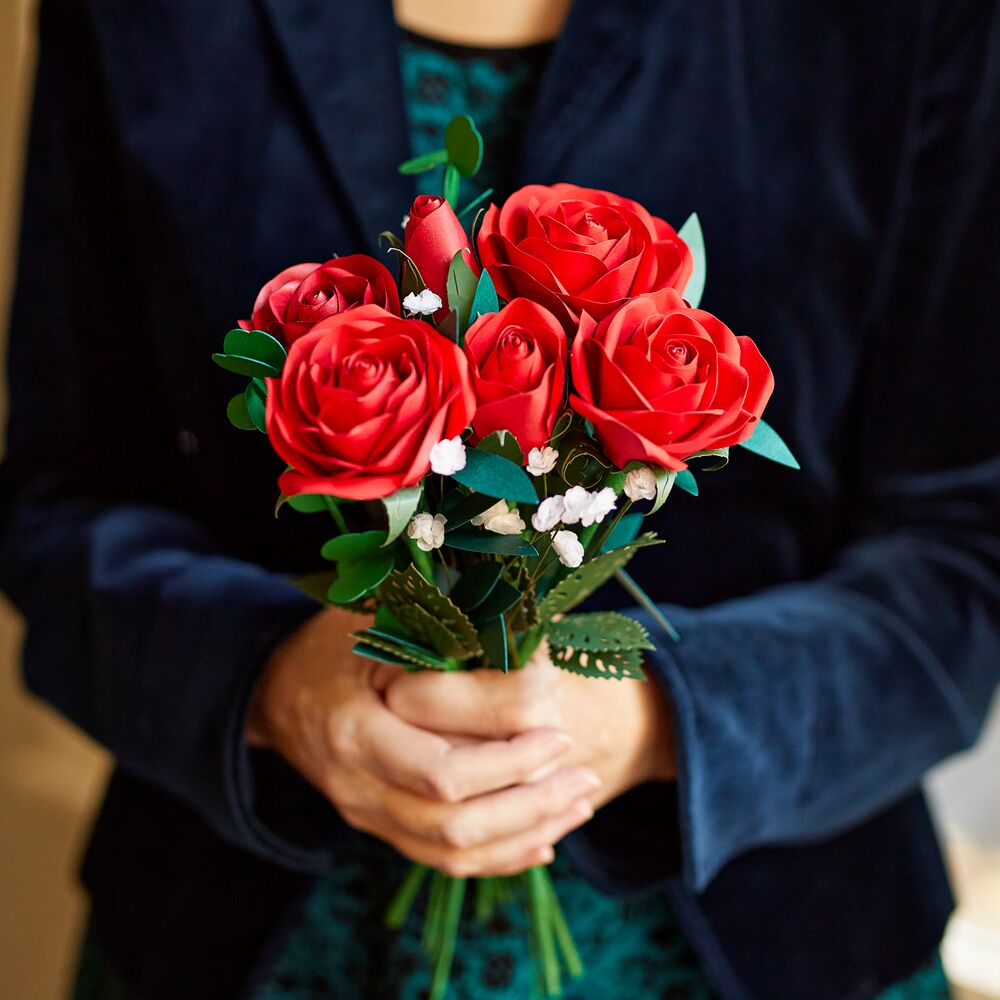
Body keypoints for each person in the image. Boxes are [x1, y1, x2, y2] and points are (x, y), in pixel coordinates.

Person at [2, 0, 999, 997]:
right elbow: (53, 508)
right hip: (235, 935)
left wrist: (655, 721)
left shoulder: (905, 25)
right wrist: (267, 685)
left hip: (776, 940)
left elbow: (960, 558)